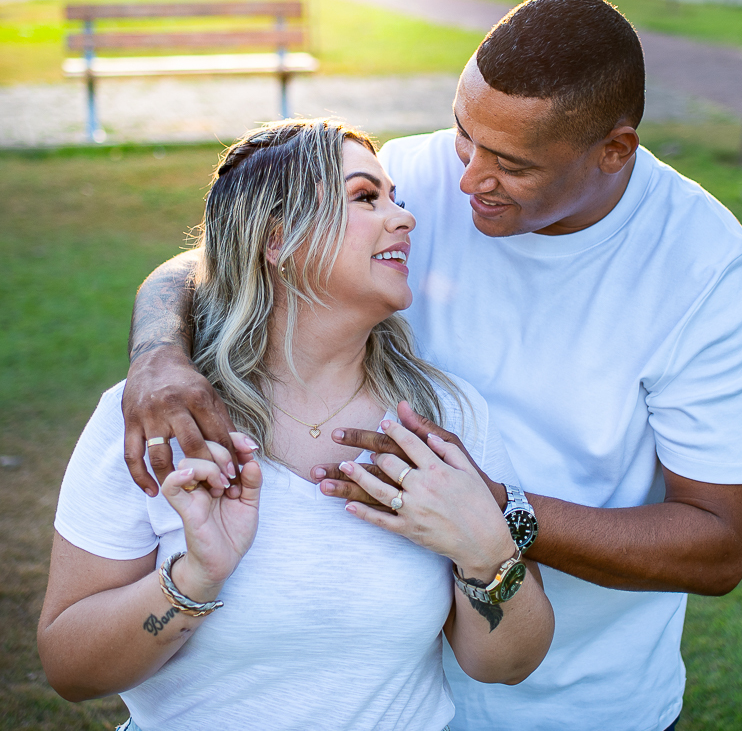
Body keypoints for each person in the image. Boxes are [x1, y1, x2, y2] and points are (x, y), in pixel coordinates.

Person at [120, 0, 742, 731]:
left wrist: (493, 512)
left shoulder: (703, 267)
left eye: (511, 165)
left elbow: (717, 546)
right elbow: (221, 255)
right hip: (393, 698)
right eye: (466, 134)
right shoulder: (414, 179)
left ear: (614, 151)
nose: (467, 180)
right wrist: (156, 352)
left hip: (577, 701)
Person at [38, 119, 554, 731]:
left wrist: (487, 551)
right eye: (366, 197)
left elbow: (508, 662)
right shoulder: (161, 420)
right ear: (278, 239)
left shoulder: (444, 415)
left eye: (397, 199)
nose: (404, 219)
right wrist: (195, 577)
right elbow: (71, 670)